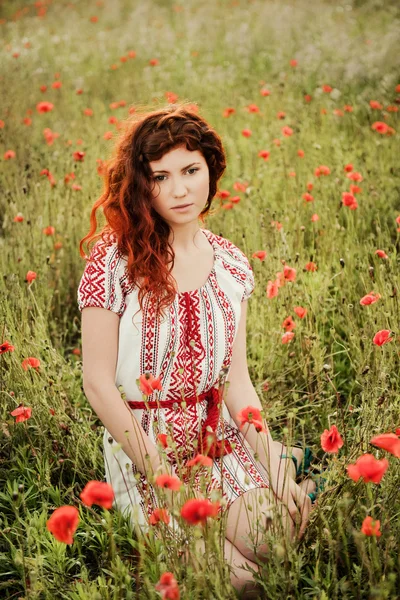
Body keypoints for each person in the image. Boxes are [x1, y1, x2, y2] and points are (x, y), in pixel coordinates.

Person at [77, 103, 316, 597]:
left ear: (211, 168)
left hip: (217, 440)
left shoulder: (230, 263)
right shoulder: (114, 262)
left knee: (282, 543)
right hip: (145, 452)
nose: (180, 189)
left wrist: (267, 466)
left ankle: (284, 461)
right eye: (160, 177)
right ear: (142, 186)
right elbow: (98, 386)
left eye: (190, 170)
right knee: (237, 583)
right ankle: (286, 462)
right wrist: (168, 480)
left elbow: (236, 379)